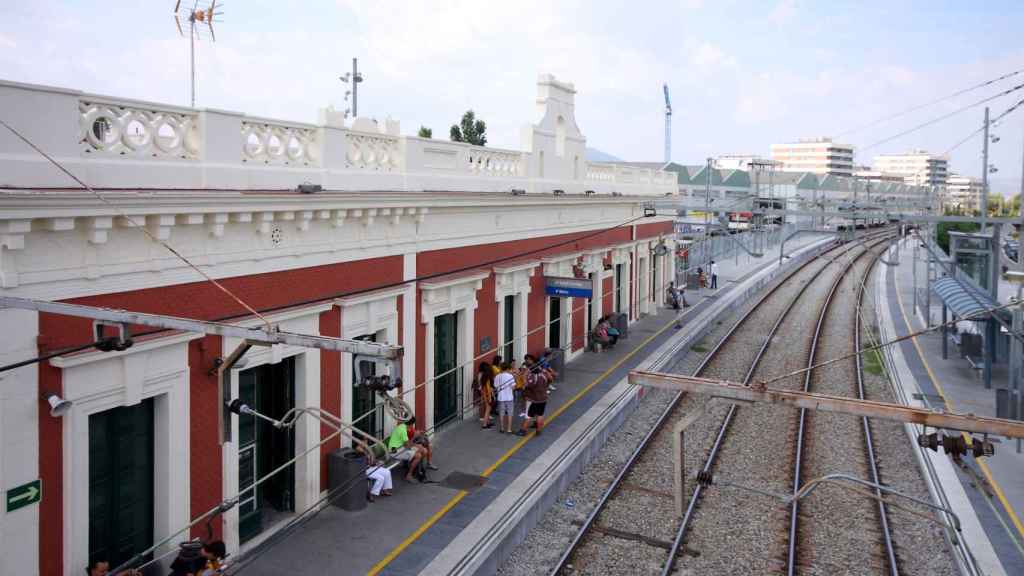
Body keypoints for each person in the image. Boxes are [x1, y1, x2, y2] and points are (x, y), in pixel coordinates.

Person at [387, 416, 429, 481]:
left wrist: (417, 444)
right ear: (411, 424)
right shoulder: (403, 430)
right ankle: (408, 475)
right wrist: (415, 437)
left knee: (424, 450)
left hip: (401, 447)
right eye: (413, 425)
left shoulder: (403, 426)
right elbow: (408, 445)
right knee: (418, 455)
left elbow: (406, 444)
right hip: (395, 451)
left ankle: (417, 468)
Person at [517, 362, 549, 436]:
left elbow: (525, 385)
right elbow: (549, 380)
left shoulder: (533, 378)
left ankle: (523, 430)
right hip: (543, 399)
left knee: (528, 416)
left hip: (534, 400)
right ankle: (538, 430)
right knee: (540, 415)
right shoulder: (543, 376)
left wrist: (525, 375)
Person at [494, 362, 517, 433]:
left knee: (501, 413)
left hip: (501, 397)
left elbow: (495, 386)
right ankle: (509, 429)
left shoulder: (497, 376)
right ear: (507, 368)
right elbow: (513, 388)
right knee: (510, 413)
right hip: (509, 397)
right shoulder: (510, 376)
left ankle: (502, 428)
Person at [476, 362, 495, 428]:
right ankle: (485, 424)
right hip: (488, 394)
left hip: (484, 393)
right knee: (488, 409)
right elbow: (489, 387)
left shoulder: (482, 375)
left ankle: (488, 422)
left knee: (488, 408)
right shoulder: (487, 377)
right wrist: (491, 396)